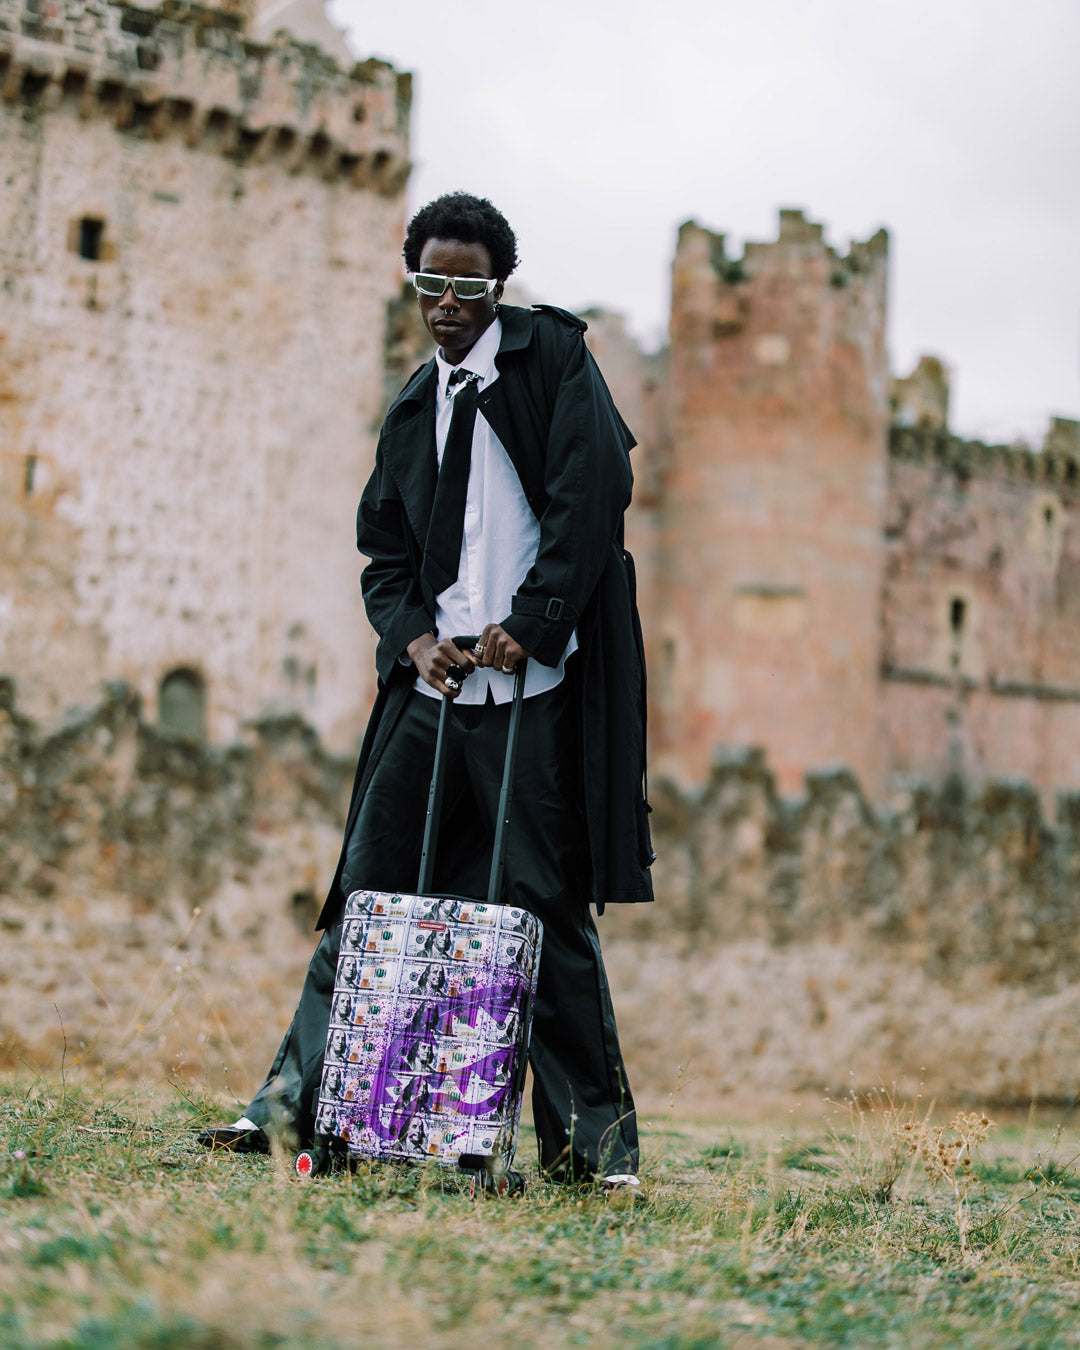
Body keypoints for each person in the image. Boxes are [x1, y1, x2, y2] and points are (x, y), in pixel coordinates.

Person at [198, 192, 654, 1186]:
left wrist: (531, 622)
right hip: (434, 695)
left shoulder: (554, 361)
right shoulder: (414, 405)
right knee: (366, 891)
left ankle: (594, 1156)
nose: (448, 303)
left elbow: (592, 502)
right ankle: (291, 1115)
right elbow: (385, 553)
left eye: (467, 285)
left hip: (537, 692)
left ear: (498, 286)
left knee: (543, 908)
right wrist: (413, 640)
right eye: (430, 283)